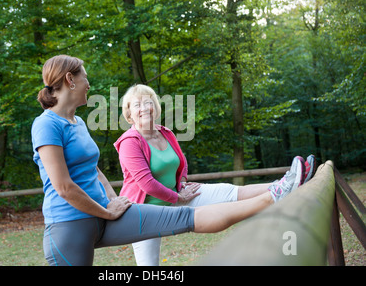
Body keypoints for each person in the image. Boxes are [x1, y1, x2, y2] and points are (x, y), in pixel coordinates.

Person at [32, 55, 309, 266]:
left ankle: (274, 195)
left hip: (105, 214)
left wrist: (113, 200)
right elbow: (64, 187)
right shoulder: (46, 125)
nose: (88, 84)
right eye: (84, 78)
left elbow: (95, 171)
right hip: (71, 227)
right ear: (70, 80)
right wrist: (106, 211)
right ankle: (275, 193)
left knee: (187, 217)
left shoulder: (77, 122)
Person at [114, 84, 316, 266]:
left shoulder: (165, 132)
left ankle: (286, 183)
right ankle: (284, 185)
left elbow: (181, 162)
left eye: (148, 102)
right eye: (137, 105)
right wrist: (178, 196)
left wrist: (182, 183)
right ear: (129, 114)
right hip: (145, 212)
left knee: (228, 191)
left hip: (177, 197)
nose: (144, 108)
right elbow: (147, 184)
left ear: (155, 107)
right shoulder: (129, 142)